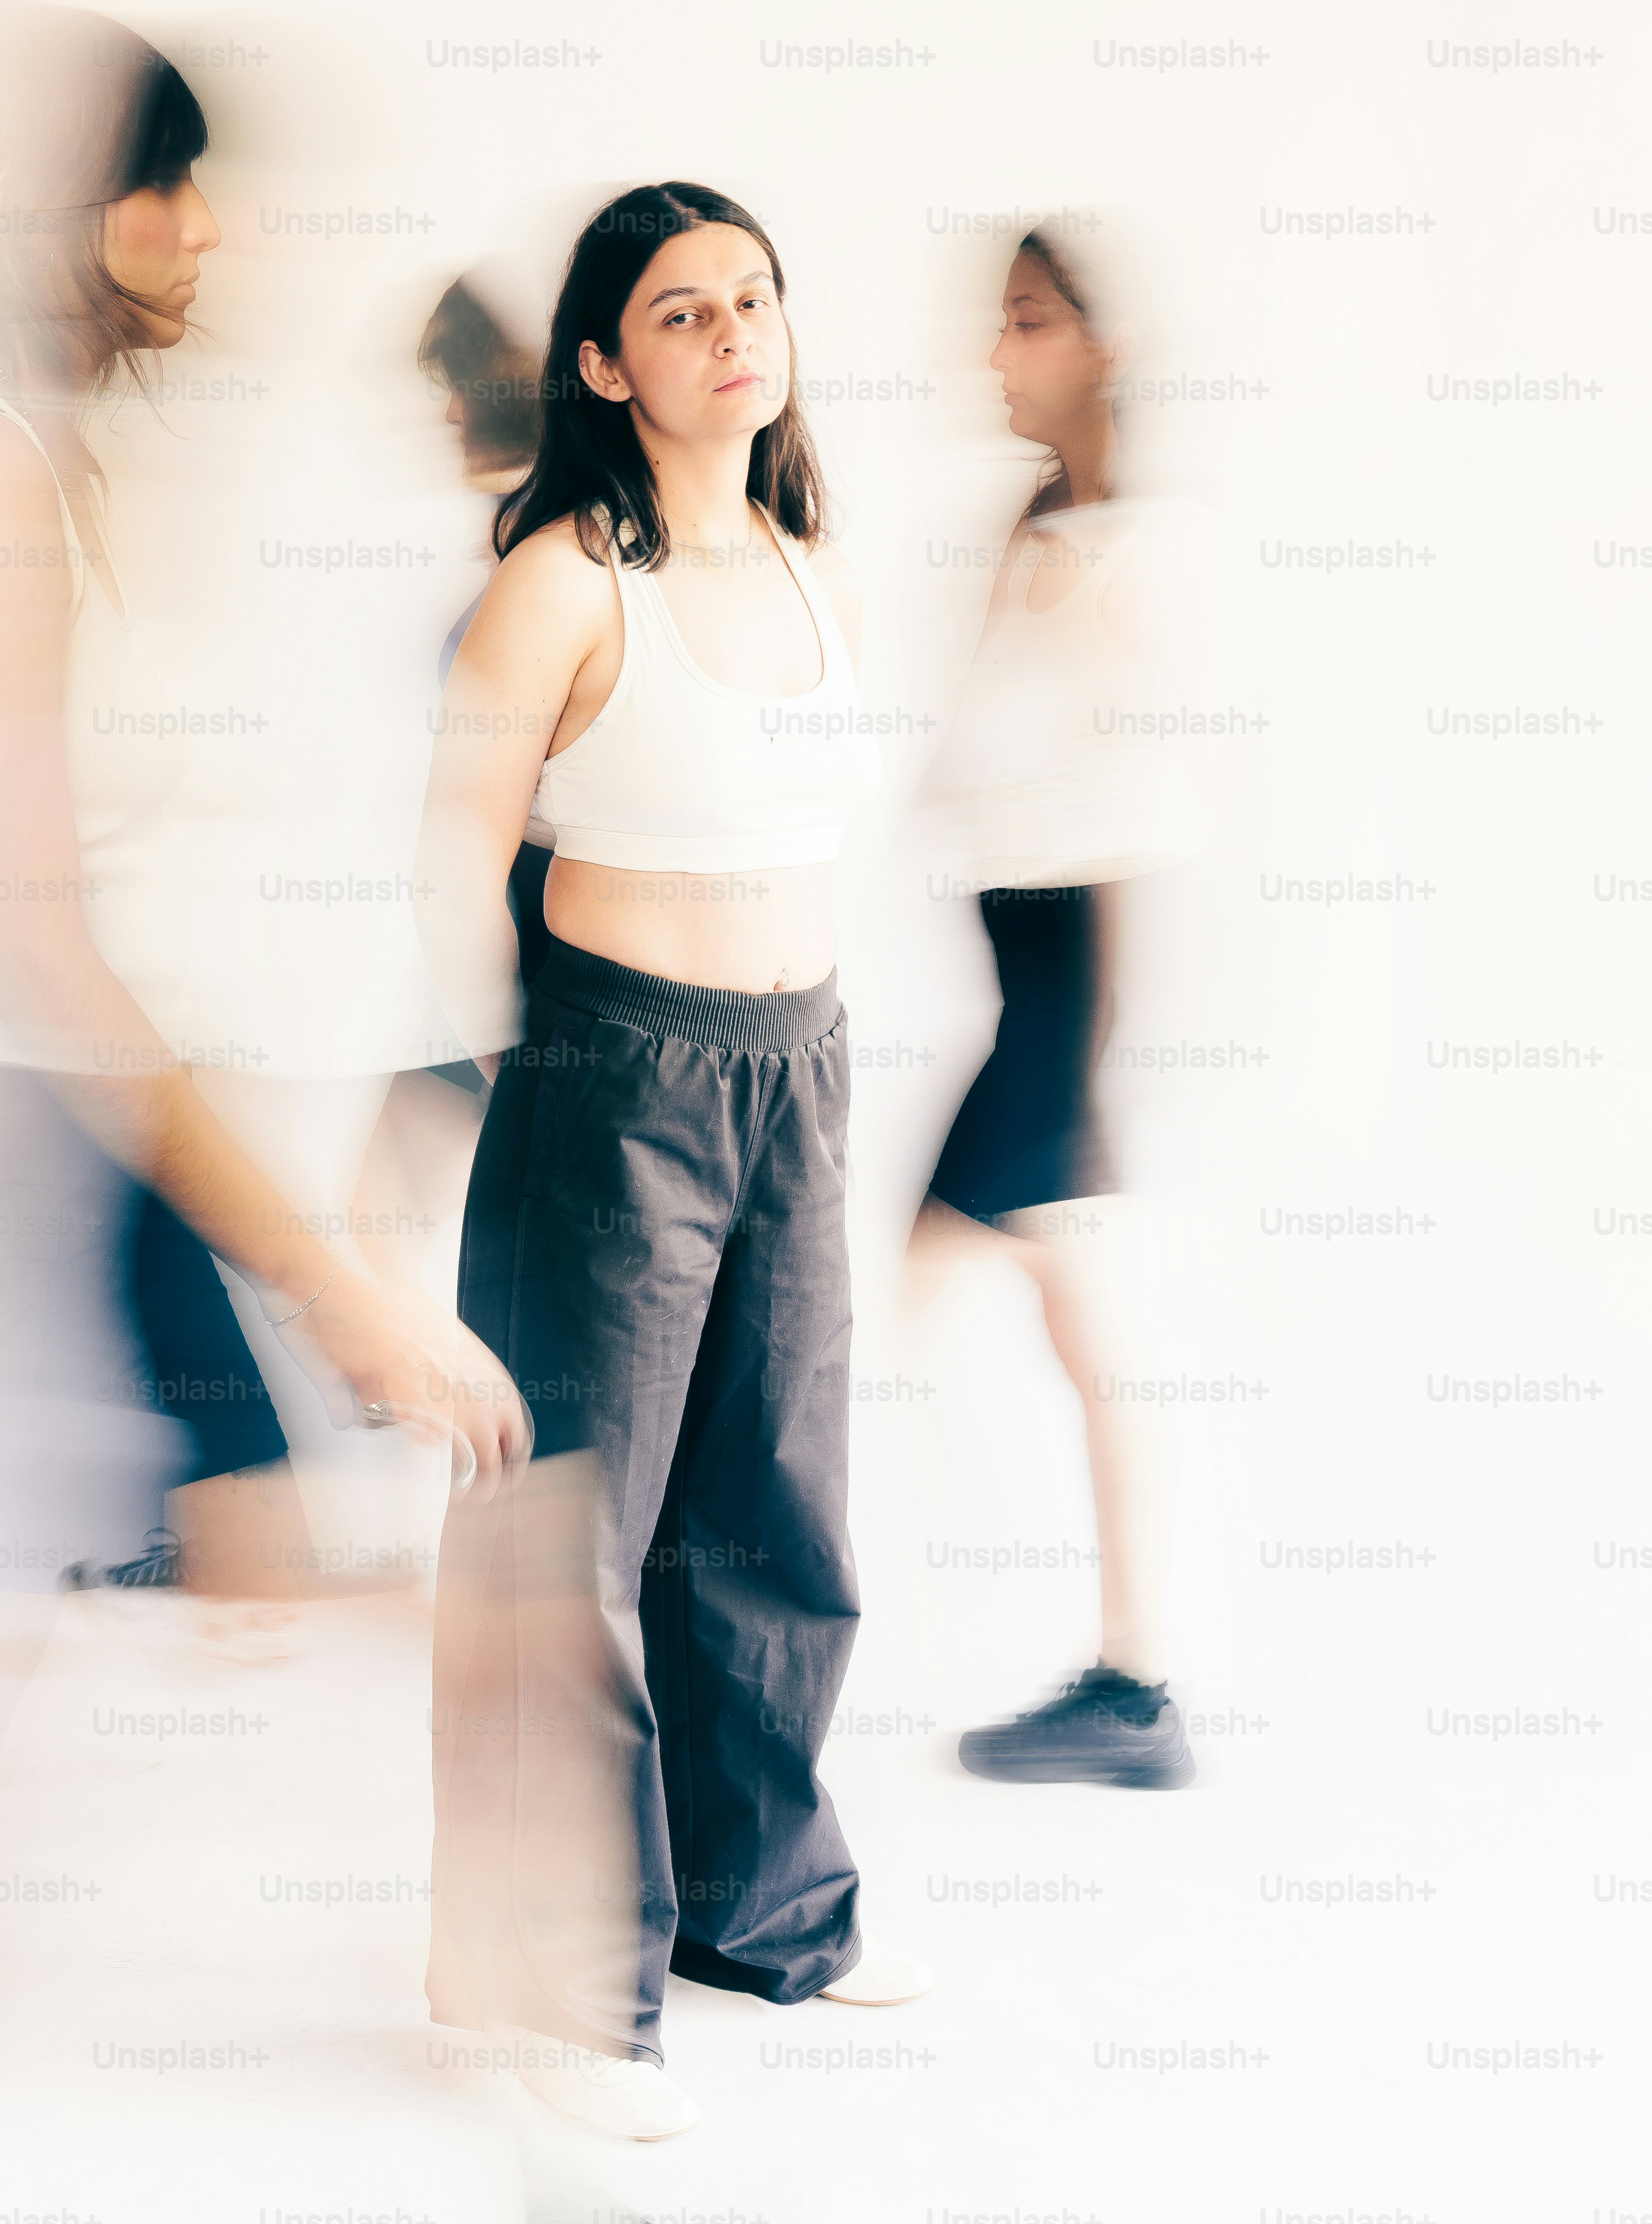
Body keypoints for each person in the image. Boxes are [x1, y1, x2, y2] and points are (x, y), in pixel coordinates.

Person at [0, 11, 526, 2211]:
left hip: (66, 1137)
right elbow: (46, 945)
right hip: (18, 1162)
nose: (214, 226)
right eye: (180, 180)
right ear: (86, 201)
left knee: (250, 1605)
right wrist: (338, 1273)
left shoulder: (31, 448)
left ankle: (505, 2038)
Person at [412, 181, 927, 2143]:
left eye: (756, 300)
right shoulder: (561, 579)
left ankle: (764, 1913)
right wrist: (527, 1078)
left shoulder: (815, 566)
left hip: (797, 1064)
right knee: (569, 1540)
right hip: (610, 1073)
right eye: (683, 313)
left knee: (777, 1510)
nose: (733, 335)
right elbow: (456, 856)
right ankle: (544, 1997)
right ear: (606, 363)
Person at [910, 223, 1201, 1790]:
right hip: (1028, 984)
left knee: (882, 1314)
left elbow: (1135, 790)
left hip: (1052, 990)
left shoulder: (1130, 553)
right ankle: (1138, 1682)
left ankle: (759, 1619)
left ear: (1101, 345)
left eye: (1027, 322)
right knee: (1087, 1335)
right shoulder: (1042, 524)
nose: (997, 353)